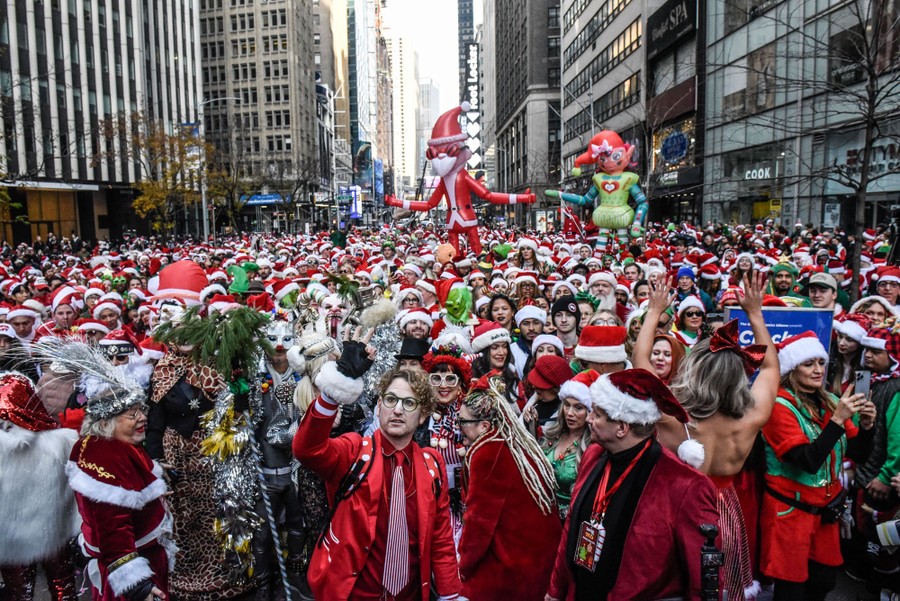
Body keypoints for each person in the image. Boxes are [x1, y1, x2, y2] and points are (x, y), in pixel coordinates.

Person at [291, 338, 462, 600]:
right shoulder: (355, 450)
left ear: (424, 414)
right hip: (354, 593)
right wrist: (331, 392)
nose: (397, 410)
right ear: (379, 406)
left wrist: (451, 594)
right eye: (391, 399)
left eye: (409, 403)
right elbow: (307, 450)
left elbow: (440, 540)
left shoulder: (432, 465)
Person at [545, 369, 718, 601]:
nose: (588, 419)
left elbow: (703, 578)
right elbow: (570, 531)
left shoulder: (685, 485)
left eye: (596, 414)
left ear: (622, 428)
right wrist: (555, 592)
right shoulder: (594, 455)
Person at [49, 340, 175, 601]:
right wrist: (137, 585)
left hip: (147, 557)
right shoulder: (105, 456)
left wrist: (155, 472)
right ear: (106, 422)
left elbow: (132, 480)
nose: (142, 418)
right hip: (135, 570)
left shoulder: (118, 444)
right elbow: (112, 527)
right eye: (132, 414)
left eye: (142, 410)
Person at [760, 332, 875, 600]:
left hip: (825, 513)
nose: (818, 370)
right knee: (791, 590)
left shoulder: (829, 401)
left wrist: (867, 427)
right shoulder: (778, 406)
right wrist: (837, 421)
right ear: (792, 367)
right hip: (790, 513)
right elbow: (808, 461)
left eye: (821, 363)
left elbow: (859, 453)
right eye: (808, 363)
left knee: (823, 581)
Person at [457, 371, 562, 600]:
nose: (458, 427)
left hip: (515, 568)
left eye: (462, 422)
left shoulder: (488, 452)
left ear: (484, 425)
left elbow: (480, 522)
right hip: (536, 561)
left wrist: (463, 565)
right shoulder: (510, 442)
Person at [0, 372, 80, 601]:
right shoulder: (61, 441)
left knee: (20, 591)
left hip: (12, 537)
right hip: (54, 531)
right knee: (62, 584)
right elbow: (76, 486)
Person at [542, 369, 595, 519]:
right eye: (567, 405)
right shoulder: (553, 434)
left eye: (578, 407)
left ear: (589, 412)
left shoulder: (592, 448)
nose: (570, 413)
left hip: (568, 524)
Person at [522, 354, 573, 439]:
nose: (535, 387)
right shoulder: (534, 402)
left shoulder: (563, 416)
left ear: (556, 389)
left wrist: (535, 426)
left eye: (541, 387)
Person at [511, 305, 547, 378]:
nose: (531, 328)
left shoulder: (552, 348)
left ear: (542, 325)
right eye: (526, 323)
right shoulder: (511, 350)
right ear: (519, 326)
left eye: (536, 323)